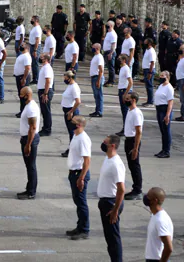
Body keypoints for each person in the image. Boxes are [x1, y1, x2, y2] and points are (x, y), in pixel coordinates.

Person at [97, 134, 126, 262]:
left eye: (105, 142)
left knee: (113, 238)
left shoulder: (116, 164)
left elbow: (121, 189)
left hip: (111, 203)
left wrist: (115, 210)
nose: (103, 143)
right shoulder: (108, 158)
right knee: (109, 238)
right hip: (105, 202)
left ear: (112, 146)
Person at [66, 116, 91, 240]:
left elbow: (87, 160)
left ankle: (84, 229)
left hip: (79, 173)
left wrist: (81, 178)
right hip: (73, 173)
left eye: (73, 123)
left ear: (79, 125)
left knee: (81, 203)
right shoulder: (76, 135)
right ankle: (79, 226)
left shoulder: (83, 139)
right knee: (77, 201)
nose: (71, 124)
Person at [18, 87, 40, 200]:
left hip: (30, 139)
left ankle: (31, 192)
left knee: (31, 166)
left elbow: (33, 127)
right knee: (29, 166)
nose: (20, 96)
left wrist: (28, 144)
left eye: (21, 94)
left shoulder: (31, 108)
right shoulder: (29, 105)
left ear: (27, 95)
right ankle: (29, 188)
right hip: (26, 138)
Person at [123, 91, 144, 200]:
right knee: (131, 166)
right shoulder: (130, 111)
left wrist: (135, 148)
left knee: (135, 166)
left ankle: (137, 190)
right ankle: (135, 188)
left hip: (133, 141)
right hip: (128, 140)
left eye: (128, 99)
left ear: (133, 100)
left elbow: (138, 132)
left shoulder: (136, 113)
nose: (125, 100)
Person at [144, 187, 174, 262]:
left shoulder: (160, 220)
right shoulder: (155, 215)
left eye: (148, 196)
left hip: (156, 259)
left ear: (154, 200)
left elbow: (169, 248)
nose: (145, 197)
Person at [154, 71, 174, 158]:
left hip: (164, 109)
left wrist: (167, 115)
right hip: (159, 109)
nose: (160, 77)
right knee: (162, 131)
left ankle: (167, 151)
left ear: (167, 77)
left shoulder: (169, 88)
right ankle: (163, 149)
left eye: (162, 76)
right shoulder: (161, 86)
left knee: (166, 131)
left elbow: (170, 102)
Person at [61, 70, 81, 158]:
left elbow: (78, 101)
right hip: (67, 111)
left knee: (72, 132)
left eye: (65, 78)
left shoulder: (74, 87)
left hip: (71, 112)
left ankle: (72, 150)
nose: (64, 79)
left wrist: (71, 112)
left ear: (70, 78)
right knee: (71, 132)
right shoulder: (70, 86)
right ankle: (72, 149)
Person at [37, 53, 54, 137]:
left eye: (42, 57)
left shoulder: (47, 68)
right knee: (44, 111)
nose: (40, 58)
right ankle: (45, 127)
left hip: (45, 91)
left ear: (46, 59)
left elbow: (48, 81)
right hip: (42, 90)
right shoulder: (44, 67)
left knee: (46, 111)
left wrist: (45, 93)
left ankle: (47, 129)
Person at [116, 54, 133, 136]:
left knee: (125, 111)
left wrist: (125, 94)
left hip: (124, 91)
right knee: (123, 111)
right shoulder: (122, 68)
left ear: (124, 60)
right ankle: (125, 128)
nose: (118, 60)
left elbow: (130, 82)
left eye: (120, 59)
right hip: (121, 90)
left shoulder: (126, 69)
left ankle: (126, 129)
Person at [14, 43, 32, 118]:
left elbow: (27, 68)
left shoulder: (26, 56)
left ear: (27, 47)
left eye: (23, 45)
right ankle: (22, 111)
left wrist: (24, 78)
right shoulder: (22, 55)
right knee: (21, 95)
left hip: (23, 77)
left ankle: (24, 112)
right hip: (19, 77)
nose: (21, 46)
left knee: (24, 95)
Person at [89, 43, 105, 117]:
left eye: (93, 47)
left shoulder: (99, 57)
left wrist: (98, 80)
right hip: (94, 77)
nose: (92, 48)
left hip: (97, 77)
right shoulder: (95, 56)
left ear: (97, 48)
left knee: (99, 95)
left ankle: (99, 111)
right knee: (96, 95)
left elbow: (101, 70)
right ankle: (97, 110)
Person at [142, 38, 157, 107]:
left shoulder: (151, 51)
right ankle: (148, 100)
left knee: (150, 86)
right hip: (146, 69)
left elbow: (152, 62)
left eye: (146, 41)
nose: (144, 42)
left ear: (149, 43)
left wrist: (150, 73)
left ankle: (151, 102)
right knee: (147, 86)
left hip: (149, 70)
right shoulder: (147, 50)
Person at [28, 16, 42, 85]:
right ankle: (35, 78)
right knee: (33, 63)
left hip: (35, 47)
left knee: (35, 63)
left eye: (32, 19)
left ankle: (36, 79)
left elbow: (37, 40)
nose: (31, 20)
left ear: (36, 20)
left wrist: (35, 50)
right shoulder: (34, 28)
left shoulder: (37, 29)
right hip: (32, 46)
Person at [103, 21, 117, 87]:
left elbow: (113, 44)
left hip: (110, 52)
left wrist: (111, 53)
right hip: (106, 51)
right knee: (109, 67)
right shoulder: (108, 33)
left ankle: (112, 81)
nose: (106, 26)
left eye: (108, 25)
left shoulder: (113, 34)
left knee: (111, 67)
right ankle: (109, 80)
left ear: (111, 25)